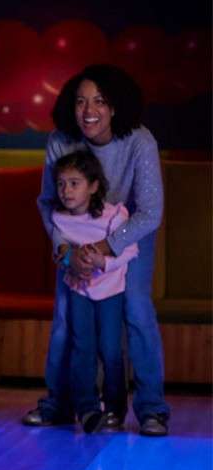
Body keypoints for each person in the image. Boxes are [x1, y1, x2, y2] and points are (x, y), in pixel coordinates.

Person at [23, 64, 171, 436]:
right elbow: (46, 202)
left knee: (136, 311)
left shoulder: (139, 141)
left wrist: (105, 246)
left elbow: (150, 212)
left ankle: (151, 408)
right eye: (81, 102)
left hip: (126, 238)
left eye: (99, 101)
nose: (89, 110)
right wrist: (68, 253)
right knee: (65, 320)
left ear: (115, 107)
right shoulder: (61, 139)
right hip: (73, 238)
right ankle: (59, 403)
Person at [49, 150, 138, 432]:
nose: (66, 190)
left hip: (111, 291)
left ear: (94, 186)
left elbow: (131, 250)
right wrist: (70, 262)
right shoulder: (59, 218)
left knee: (110, 349)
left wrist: (103, 261)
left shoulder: (114, 215)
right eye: (61, 183)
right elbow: (59, 251)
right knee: (82, 347)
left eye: (74, 183)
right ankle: (87, 409)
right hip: (79, 291)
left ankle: (115, 408)